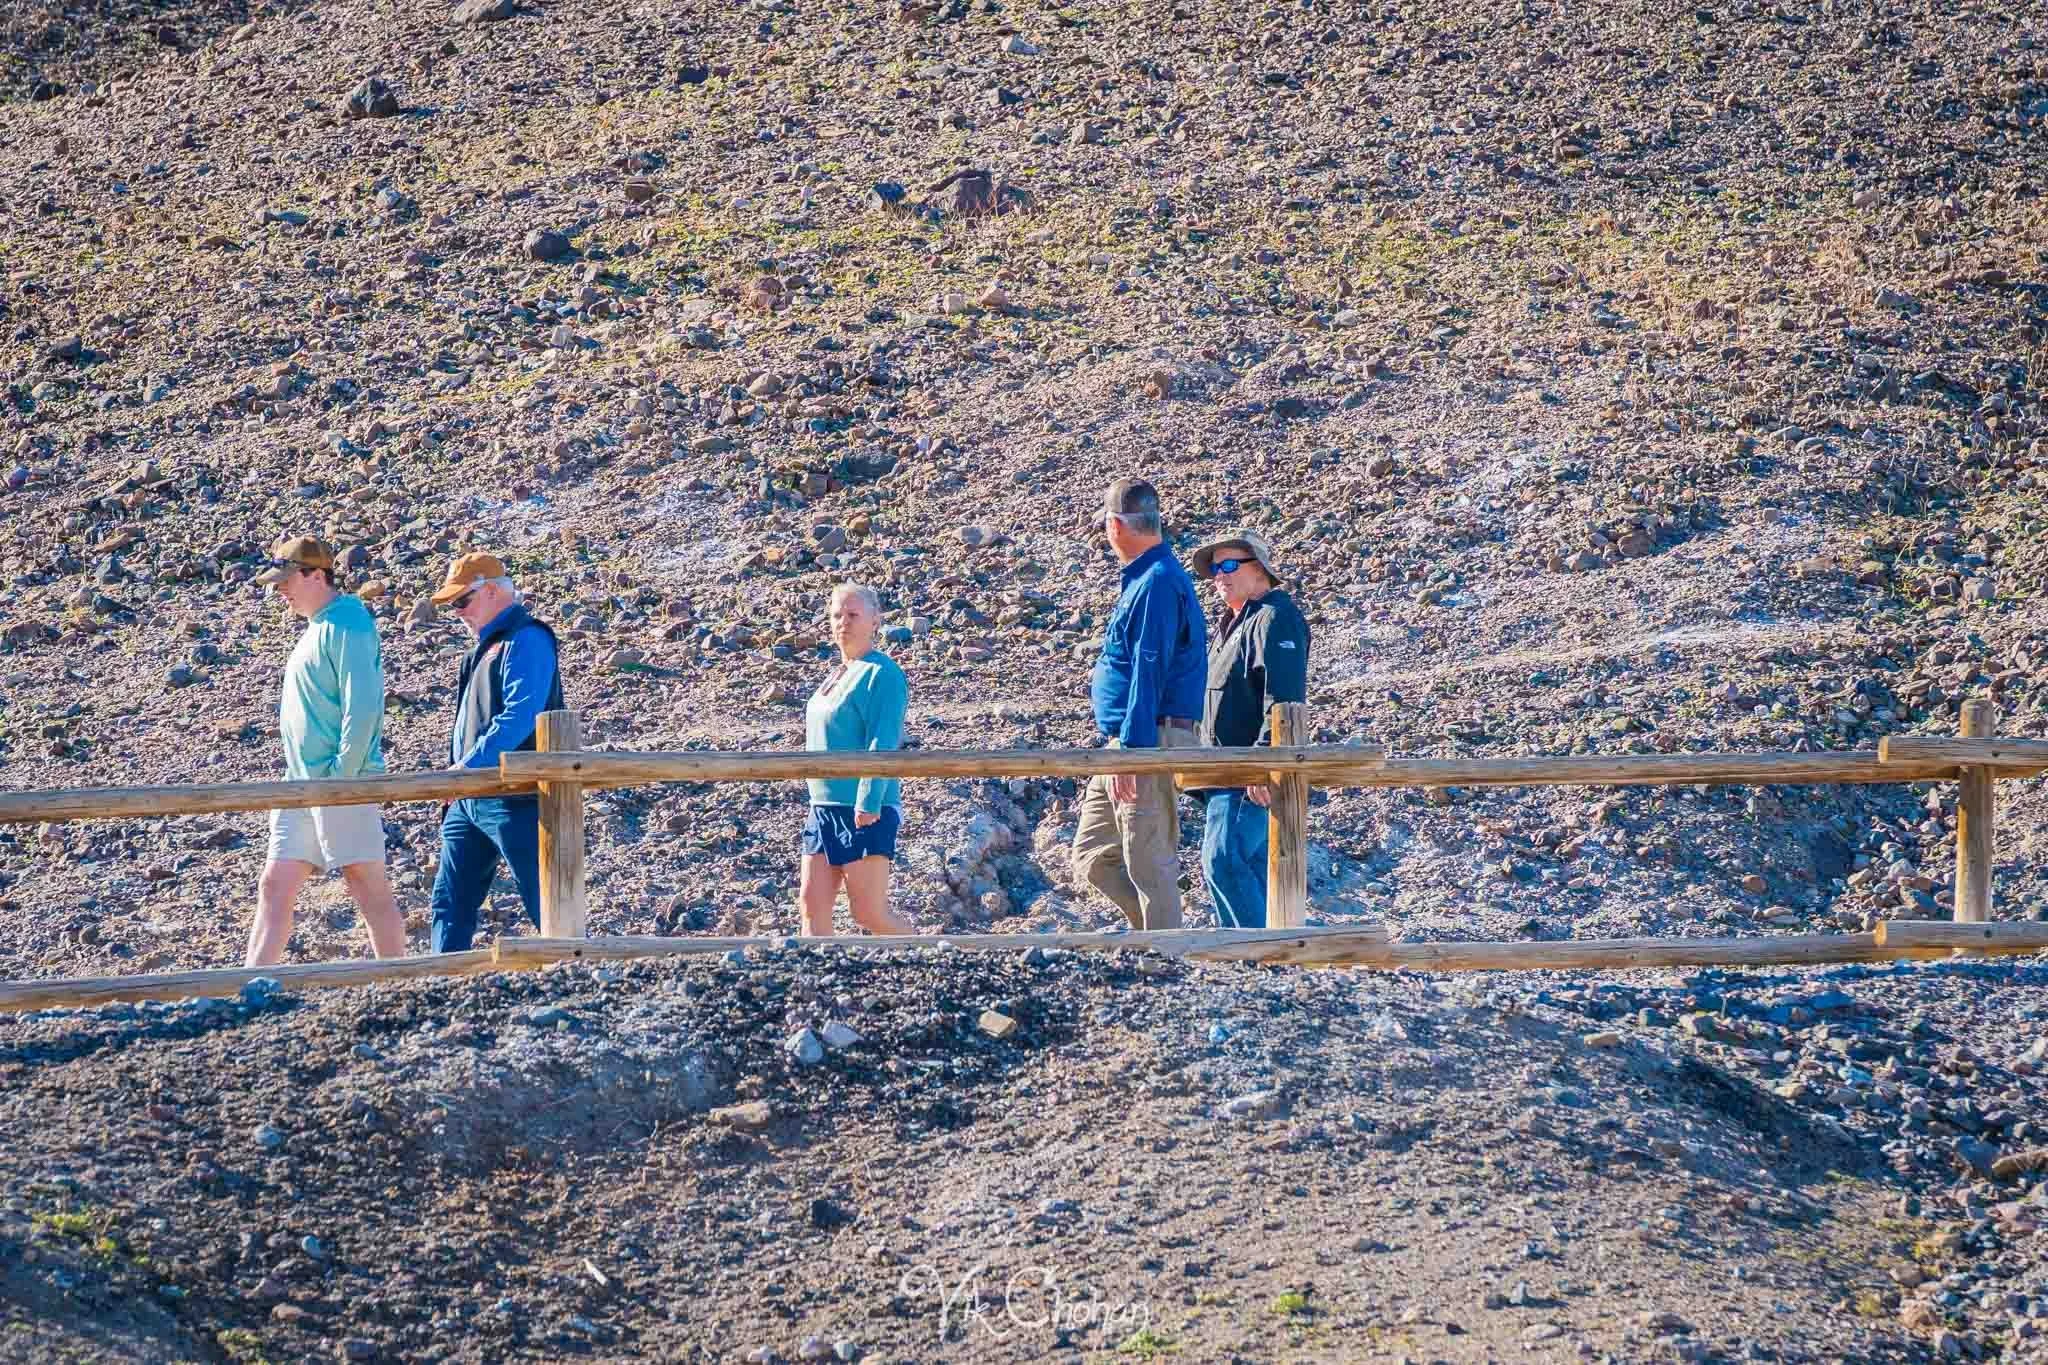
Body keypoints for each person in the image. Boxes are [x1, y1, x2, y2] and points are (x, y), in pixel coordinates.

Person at [247, 535, 405, 966]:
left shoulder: (348, 622)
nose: (280, 590)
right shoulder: (319, 626)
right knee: (275, 885)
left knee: (365, 883)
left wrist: (343, 775)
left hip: (338, 782)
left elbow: (363, 705)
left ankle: (400, 980)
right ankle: (247, 986)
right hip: (302, 783)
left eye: (286, 580)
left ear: (316, 576)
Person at [1070, 479, 1208, 930]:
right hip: (1130, 737)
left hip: (1147, 736)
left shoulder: (1157, 582)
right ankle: (1155, 937)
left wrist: (1133, 751)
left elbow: (1149, 670)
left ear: (1115, 526)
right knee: (1093, 855)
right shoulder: (1148, 579)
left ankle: (1167, 954)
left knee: (1148, 858)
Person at [427, 552, 565, 952]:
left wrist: (466, 768)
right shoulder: (491, 646)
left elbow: (521, 714)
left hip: (514, 797)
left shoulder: (527, 638)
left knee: (546, 900)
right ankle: (440, 979)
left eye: (462, 601)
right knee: (449, 903)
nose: (457, 612)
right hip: (475, 795)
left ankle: (578, 972)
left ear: (491, 590)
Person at [1188, 530, 1311, 929]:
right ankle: (1261, 955)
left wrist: (1262, 764)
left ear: (1259, 568)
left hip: (1245, 776)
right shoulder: (1235, 623)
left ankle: (1259, 955)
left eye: (1228, 565)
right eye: (1214, 570)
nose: (1219, 576)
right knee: (1247, 868)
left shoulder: (1274, 617)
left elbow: (1284, 700)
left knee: (1224, 860)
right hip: (1224, 773)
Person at [800, 583, 915, 936]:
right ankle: (814, 970)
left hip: (863, 807)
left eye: (853, 615)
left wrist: (868, 800)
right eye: (837, 615)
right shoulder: (836, 674)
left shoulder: (882, 673)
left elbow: (883, 740)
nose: (843, 622)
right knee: (811, 906)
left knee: (868, 913)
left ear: (874, 621)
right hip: (823, 806)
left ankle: (934, 957)